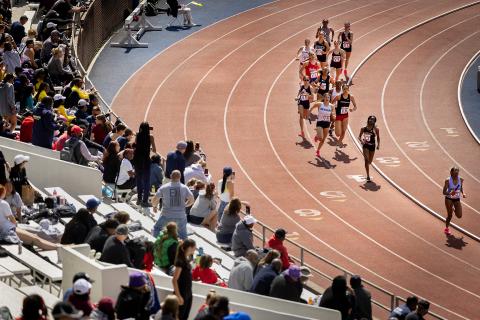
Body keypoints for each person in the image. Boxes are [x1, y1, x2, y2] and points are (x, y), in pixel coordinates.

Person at [152, 170, 194, 239]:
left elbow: (155, 199)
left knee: (157, 228)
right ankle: (185, 248)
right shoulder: (184, 188)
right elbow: (192, 199)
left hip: (166, 215)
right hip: (180, 216)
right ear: (180, 177)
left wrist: (154, 206)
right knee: (183, 235)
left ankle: (156, 244)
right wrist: (185, 205)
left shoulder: (164, 187)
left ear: (171, 176)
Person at [133, 122, 156, 207]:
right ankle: (145, 200)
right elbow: (154, 150)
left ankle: (139, 199)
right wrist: (148, 147)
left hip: (137, 159)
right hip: (146, 160)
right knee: (146, 181)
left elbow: (135, 144)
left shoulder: (138, 135)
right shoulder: (150, 137)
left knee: (139, 179)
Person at [172, 238, 196, 320]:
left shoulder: (186, 260)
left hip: (188, 293)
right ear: (189, 248)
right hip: (182, 293)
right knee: (179, 316)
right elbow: (174, 280)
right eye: (194, 248)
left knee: (185, 316)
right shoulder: (180, 262)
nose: (195, 249)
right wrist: (178, 296)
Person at [310, 93, 335, 158]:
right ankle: (317, 135)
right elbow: (312, 107)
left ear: (330, 99)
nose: (327, 99)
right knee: (320, 138)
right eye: (326, 97)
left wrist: (334, 117)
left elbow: (333, 114)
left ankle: (318, 150)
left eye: (328, 97)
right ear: (324, 98)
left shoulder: (332, 106)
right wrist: (308, 114)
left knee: (323, 139)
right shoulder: (320, 104)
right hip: (320, 122)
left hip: (327, 123)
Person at [443, 167, 466, 235]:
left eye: (457, 173)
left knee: (459, 215)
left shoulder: (461, 179)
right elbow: (444, 192)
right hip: (449, 199)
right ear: (451, 173)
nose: (456, 174)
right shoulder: (447, 180)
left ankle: (453, 208)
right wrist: (450, 193)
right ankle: (446, 229)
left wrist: (463, 193)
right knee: (450, 215)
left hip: (456, 199)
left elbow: (461, 187)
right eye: (455, 173)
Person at [358, 115, 380, 182]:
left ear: (374, 121)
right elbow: (359, 137)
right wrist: (362, 141)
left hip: (372, 146)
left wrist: (378, 145)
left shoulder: (376, 129)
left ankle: (367, 166)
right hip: (365, 146)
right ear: (368, 120)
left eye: (373, 120)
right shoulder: (363, 128)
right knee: (366, 160)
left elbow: (378, 137)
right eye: (370, 119)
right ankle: (368, 176)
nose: (371, 120)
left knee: (370, 162)